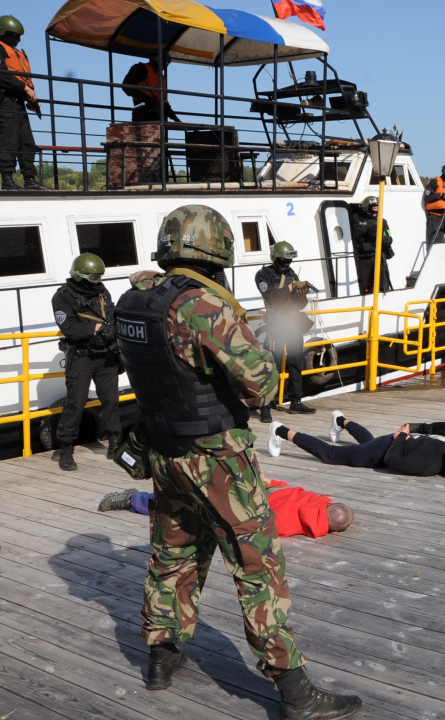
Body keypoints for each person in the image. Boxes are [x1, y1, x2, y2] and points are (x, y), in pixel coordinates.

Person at [113, 205, 360, 718]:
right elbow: (260, 386)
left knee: (172, 551)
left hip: (163, 452)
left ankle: (161, 654)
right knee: (257, 564)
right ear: (217, 252)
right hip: (216, 455)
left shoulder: (135, 300)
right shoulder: (204, 306)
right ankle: (294, 691)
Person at [99, 480, 355, 540]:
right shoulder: (310, 525)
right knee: (187, 506)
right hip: (245, 507)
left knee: (191, 496)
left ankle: (134, 499)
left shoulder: (317, 499)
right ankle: (136, 500)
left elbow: (286, 488)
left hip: (251, 492)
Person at [51, 253, 122, 471]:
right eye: (93, 277)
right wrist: (96, 329)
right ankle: (66, 451)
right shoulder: (63, 296)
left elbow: (110, 316)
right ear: (80, 276)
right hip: (81, 357)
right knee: (76, 403)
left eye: (100, 277)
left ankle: (115, 443)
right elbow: (68, 327)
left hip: (105, 355)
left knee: (111, 400)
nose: (98, 281)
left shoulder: (102, 291)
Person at [267, 411, 445, 478]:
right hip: (384, 450)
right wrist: (401, 439)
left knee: (368, 441)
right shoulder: (430, 467)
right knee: (330, 454)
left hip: (390, 441)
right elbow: (393, 462)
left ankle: (340, 420)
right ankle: (281, 431)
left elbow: (433, 433)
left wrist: (408, 430)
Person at [256, 241, 315, 420]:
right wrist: (289, 288)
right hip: (276, 324)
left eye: (289, 259)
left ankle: (295, 400)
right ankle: (265, 406)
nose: (287, 263)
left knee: (296, 361)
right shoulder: (263, 275)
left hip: (292, 323)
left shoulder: (291, 273)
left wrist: (302, 293)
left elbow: (299, 304)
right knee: (273, 364)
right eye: (284, 259)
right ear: (276, 258)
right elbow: (271, 298)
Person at [0, 15, 48, 191]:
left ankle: (30, 179)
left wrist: (31, 99)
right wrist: (25, 88)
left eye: (19, 36)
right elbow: (3, 74)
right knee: (9, 140)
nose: (17, 39)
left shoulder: (17, 52)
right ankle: (7, 181)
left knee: (27, 141)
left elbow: (21, 77)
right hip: (5, 101)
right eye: (14, 35)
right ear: (3, 32)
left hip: (18, 101)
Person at [349, 195, 393, 294]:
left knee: (383, 285)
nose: (376, 210)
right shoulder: (356, 219)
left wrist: (378, 236)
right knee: (362, 285)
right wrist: (367, 232)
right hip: (363, 258)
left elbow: (389, 239)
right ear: (367, 208)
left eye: (378, 208)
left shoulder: (382, 221)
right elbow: (353, 235)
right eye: (374, 208)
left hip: (378, 257)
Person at [121, 56, 182, 123]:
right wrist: (144, 96)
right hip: (142, 111)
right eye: (166, 62)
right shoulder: (140, 68)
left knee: (157, 131)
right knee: (142, 132)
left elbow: (164, 102)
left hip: (158, 115)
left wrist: (175, 118)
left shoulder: (162, 77)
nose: (166, 65)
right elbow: (126, 86)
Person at [423, 164, 445, 245]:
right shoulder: (434, 182)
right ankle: (437, 254)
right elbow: (427, 197)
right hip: (435, 216)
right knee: (436, 241)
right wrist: (440, 196)